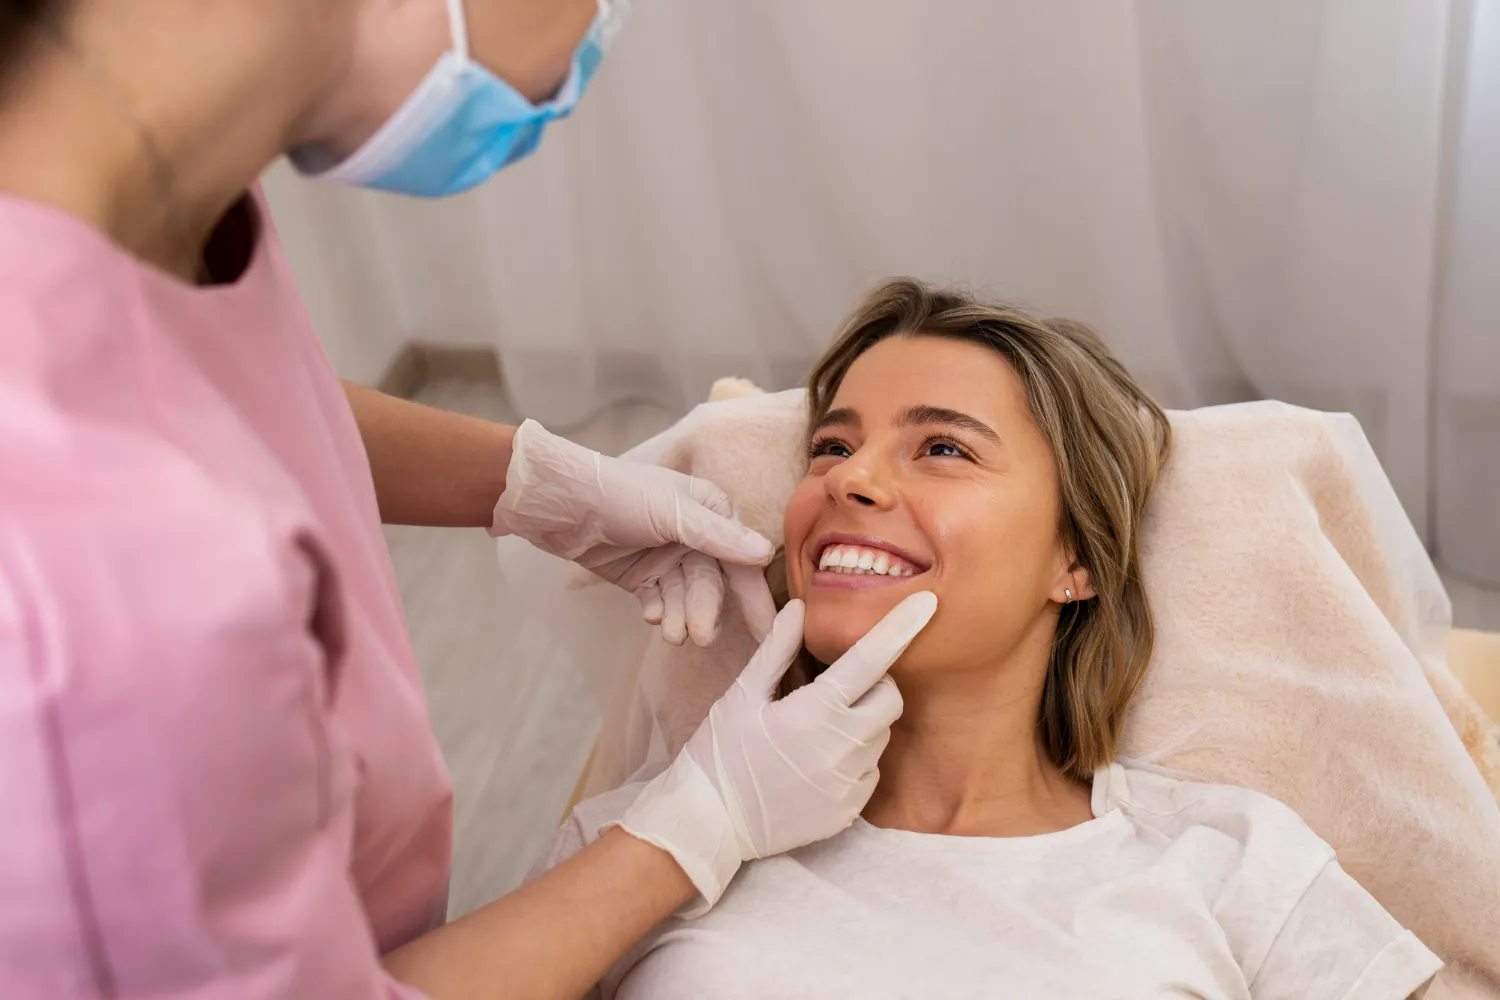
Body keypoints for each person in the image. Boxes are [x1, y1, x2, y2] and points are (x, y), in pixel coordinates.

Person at [0, 3, 938, 997]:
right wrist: (696, 825)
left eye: (946, 447)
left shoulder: (139, 204)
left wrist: (532, 483)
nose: (596, 30)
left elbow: (211, 391)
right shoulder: (81, 580)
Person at [536, 279, 1445, 999]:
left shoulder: (1233, 864)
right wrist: (694, 826)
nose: (850, 479)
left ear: (1076, 558)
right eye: (829, 447)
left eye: (942, 449)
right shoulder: (644, 844)